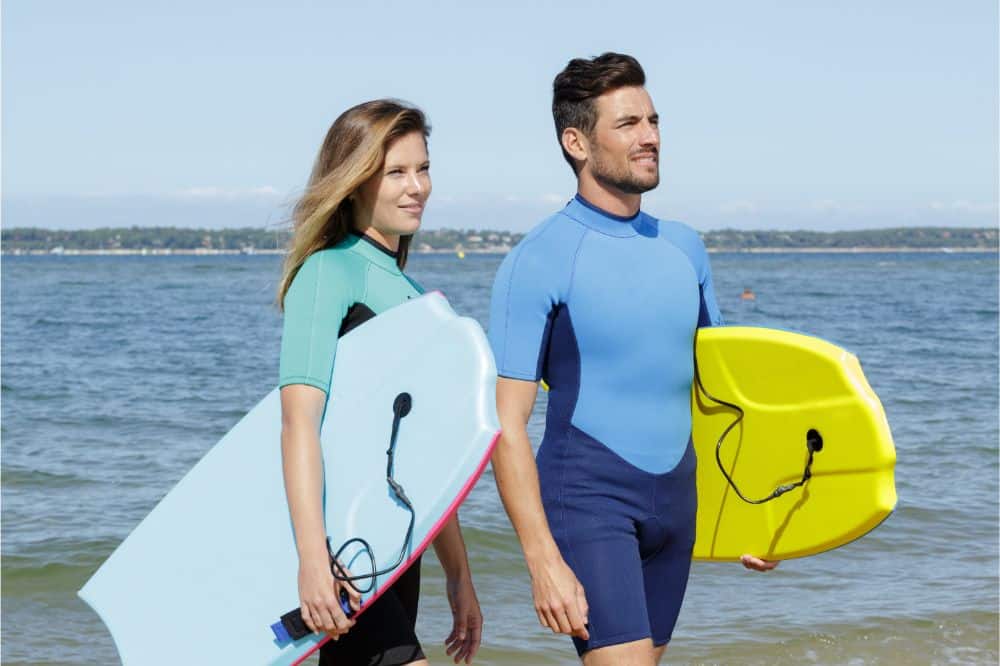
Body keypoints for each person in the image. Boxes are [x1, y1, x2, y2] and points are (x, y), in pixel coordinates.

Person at [487, 53, 777, 666]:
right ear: (577, 142)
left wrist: (759, 517)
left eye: (653, 120)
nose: (650, 137)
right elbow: (504, 425)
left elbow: (719, 398)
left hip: (677, 502)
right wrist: (542, 559)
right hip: (590, 497)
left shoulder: (685, 249)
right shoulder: (540, 257)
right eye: (627, 124)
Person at [278, 100, 482, 666]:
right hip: (344, 547)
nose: (417, 186)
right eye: (396, 172)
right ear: (353, 181)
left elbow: (424, 459)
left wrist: (459, 575)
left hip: (397, 546)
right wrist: (312, 557)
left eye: (423, 168)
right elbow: (298, 422)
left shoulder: (417, 298)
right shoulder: (328, 272)